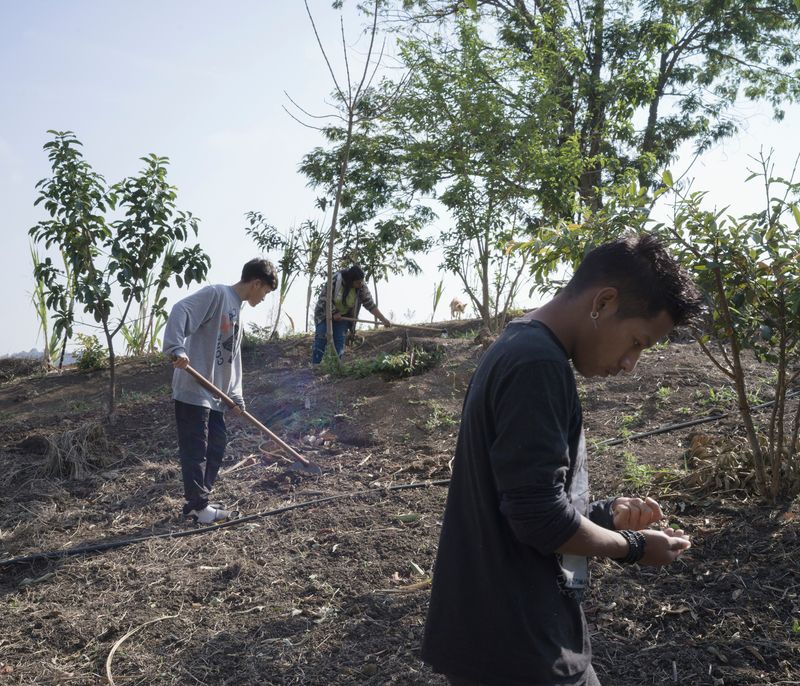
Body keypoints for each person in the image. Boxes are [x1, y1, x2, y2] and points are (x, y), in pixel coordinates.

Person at [421, 234, 704, 686]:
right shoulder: (538, 364)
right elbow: (537, 518)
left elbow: (525, 500)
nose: (631, 363)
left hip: (505, 633)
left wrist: (606, 515)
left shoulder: (521, 346)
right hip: (519, 647)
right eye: (636, 341)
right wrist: (634, 549)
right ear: (604, 302)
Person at [163, 258, 278, 524]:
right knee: (196, 449)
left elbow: (232, 359)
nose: (264, 298)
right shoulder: (216, 294)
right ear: (257, 283)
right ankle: (198, 506)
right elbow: (181, 310)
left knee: (216, 445)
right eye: (266, 292)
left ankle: (199, 503)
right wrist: (176, 349)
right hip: (193, 389)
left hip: (214, 395)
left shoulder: (237, 311)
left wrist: (236, 395)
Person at [311, 265, 391, 364]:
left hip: (343, 318)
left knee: (339, 344)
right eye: (358, 282)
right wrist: (334, 312)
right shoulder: (336, 280)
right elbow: (324, 299)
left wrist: (383, 319)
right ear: (350, 280)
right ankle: (315, 366)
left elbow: (370, 304)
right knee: (321, 338)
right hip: (324, 314)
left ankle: (336, 369)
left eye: (361, 281)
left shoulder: (361, 288)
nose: (360, 284)